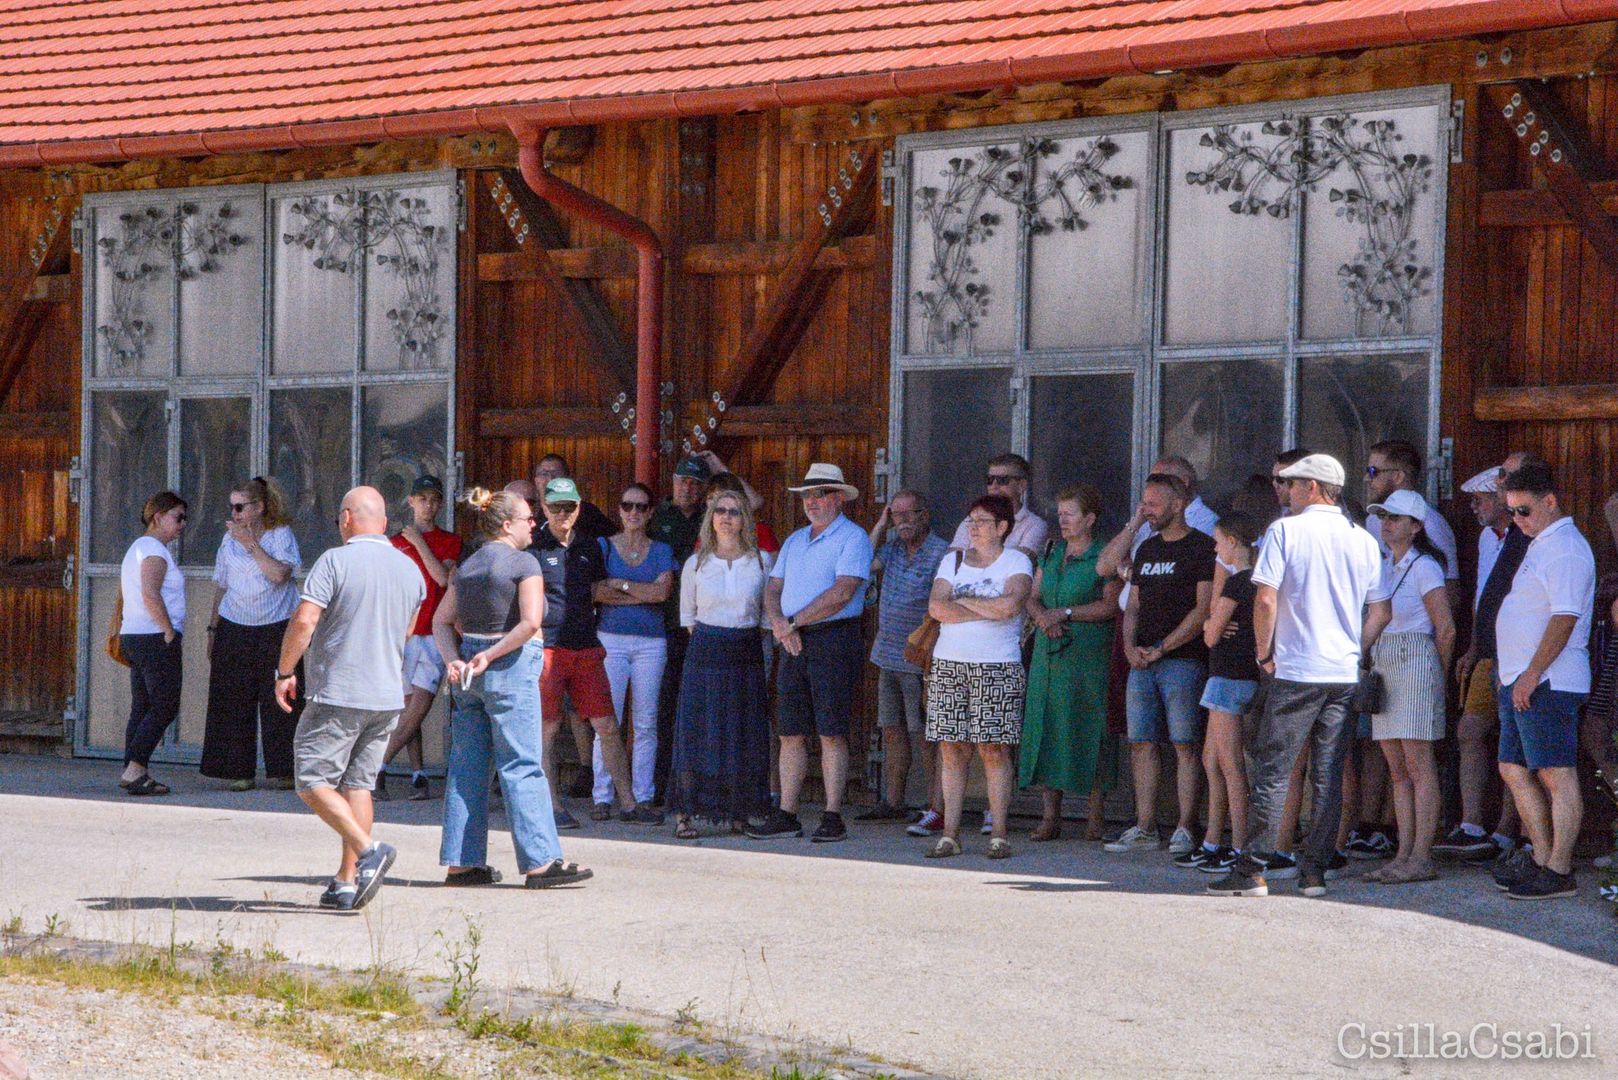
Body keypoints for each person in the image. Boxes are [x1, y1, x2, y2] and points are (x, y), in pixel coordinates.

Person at [1206, 454, 1383, 899]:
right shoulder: (1363, 539)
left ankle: (1252, 871)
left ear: (1313, 487)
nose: (1285, 490)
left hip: (1295, 667)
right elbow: (1380, 610)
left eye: (1293, 482)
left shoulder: (1285, 531)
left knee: (1274, 771)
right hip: (1342, 672)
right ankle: (1314, 873)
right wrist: (1352, 650)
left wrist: (1264, 654)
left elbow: (1265, 599)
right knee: (1327, 774)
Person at [274, 487, 424, 912]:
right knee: (358, 785)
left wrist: (284, 671)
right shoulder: (410, 568)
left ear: (345, 519)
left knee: (311, 780)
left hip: (339, 692)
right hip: (387, 695)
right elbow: (409, 629)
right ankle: (346, 880)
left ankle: (369, 849)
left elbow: (305, 620)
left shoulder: (334, 561)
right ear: (384, 523)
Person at [434, 487, 592, 889]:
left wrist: (455, 658)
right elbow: (530, 623)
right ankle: (540, 861)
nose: (533, 524)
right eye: (527, 518)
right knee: (522, 763)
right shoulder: (525, 562)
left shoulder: (467, 566)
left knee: (467, 766)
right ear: (507, 525)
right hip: (509, 665)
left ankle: (461, 863)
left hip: (469, 669)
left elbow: (440, 620)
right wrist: (492, 655)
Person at [750, 463, 874, 843]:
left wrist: (791, 623)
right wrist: (779, 622)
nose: (812, 502)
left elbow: (843, 592)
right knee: (789, 730)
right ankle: (787, 812)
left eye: (820, 494)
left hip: (832, 638)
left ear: (838, 498)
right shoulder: (794, 540)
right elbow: (773, 587)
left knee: (831, 731)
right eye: (807, 495)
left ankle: (833, 815)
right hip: (793, 637)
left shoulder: (853, 537)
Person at [533, 478, 663, 826]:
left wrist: (630, 594)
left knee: (607, 724)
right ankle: (552, 807)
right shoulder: (533, 546)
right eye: (556, 507)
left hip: (586, 646)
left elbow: (597, 590)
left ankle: (629, 804)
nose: (563, 513)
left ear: (579, 508)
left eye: (569, 507)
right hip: (547, 647)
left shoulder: (589, 545)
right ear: (544, 507)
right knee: (548, 727)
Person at [1491, 461, 1594, 900]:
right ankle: (1541, 859)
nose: (1517, 519)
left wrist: (1532, 673)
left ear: (1550, 502)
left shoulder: (1566, 548)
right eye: (1512, 511)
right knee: (1513, 767)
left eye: (1525, 510)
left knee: (1556, 773)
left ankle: (1559, 868)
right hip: (1522, 679)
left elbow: (1564, 618)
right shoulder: (1541, 543)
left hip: (1549, 679)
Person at [1104, 472, 1215, 856]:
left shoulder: (1202, 547)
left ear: (1177, 504)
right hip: (1142, 661)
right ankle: (1145, 826)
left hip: (1183, 660)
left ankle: (1185, 827)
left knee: (1185, 743)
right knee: (1141, 743)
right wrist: (1129, 645)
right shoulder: (1147, 549)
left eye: (1153, 504)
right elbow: (1133, 605)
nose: (1146, 510)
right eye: (1144, 503)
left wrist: (1164, 647)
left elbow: (1203, 609)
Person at [923, 494, 1032, 858]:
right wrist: (986, 608)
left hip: (997, 664)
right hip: (949, 663)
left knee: (994, 749)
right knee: (952, 748)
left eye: (982, 521)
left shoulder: (1016, 561)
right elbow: (936, 607)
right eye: (970, 520)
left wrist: (961, 601)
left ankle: (999, 833)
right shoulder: (952, 560)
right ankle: (950, 834)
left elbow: (1010, 606)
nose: (973, 527)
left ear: (1002, 527)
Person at [1435, 460, 1531, 860]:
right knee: (1470, 731)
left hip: (1519, 655)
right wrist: (1474, 648)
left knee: (1515, 741)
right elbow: (1482, 597)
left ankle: (1507, 831)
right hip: (1489, 652)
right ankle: (1472, 825)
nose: (1474, 506)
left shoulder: (1528, 535)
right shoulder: (1485, 539)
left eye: (1481, 499)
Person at [1359, 489, 1456, 884]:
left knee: (1418, 765)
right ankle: (1403, 854)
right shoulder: (1384, 565)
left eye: (1396, 518)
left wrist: (1438, 678)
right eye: (1384, 516)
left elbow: (1445, 628)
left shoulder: (1425, 566)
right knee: (1397, 769)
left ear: (1416, 526)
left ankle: (1421, 856)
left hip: (1416, 657)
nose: (1387, 524)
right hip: (1385, 657)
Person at [670, 488, 775, 837]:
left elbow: (765, 618)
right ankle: (685, 814)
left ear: (745, 518)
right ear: (710, 518)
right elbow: (688, 617)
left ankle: (739, 812)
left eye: (734, 511)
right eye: (720, 510)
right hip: (705, 652)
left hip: (746, 651)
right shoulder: (696, 563)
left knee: (743, 732)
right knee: (698, 731)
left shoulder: (761, 562)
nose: (727, 517)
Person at [1019, 483, 1120, 841]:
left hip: (1087, 656)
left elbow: (1110, 605)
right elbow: (1032, 596)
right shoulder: (1051, 550)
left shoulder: (1103, 555)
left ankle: (1096, 817)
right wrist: (1043, 616)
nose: (1062, 520)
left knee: (1089, 726)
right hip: (1048, 654)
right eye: (1059, 513)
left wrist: (1065, 613)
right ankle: (1051, 817)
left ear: (1089, 519)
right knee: (1046, 726)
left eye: (1069, 514)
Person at [200, 476, 302, 792]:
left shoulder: (280, 534)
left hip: (276, 626)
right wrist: (213, 628)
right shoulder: (227, 540)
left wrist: (251, 545)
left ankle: (284, 769)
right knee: (233, 698)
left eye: (240, 507)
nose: (235, 514)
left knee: (281, 698)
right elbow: (222, 584)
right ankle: (237, 770)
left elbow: (279, 575)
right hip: (235, 624)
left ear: (259, 507)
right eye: (232, 507)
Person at [1176, 511, 1264, 874]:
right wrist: (1214, 623)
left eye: (1217, 542)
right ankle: (1213, 841)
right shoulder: (1253, 581)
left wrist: (1213, 623)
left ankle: (1240, 846)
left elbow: (1211, 633)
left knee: (1231, 765)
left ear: (1232, 542)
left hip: (1231, 678)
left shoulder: (1240, 582)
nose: (1215, 549)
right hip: (1226, 677)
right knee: (1212, 760)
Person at [863, 490, 949, 823]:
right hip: (887, 653)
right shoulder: (892, 548)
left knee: (924, 734)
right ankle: (893, 801)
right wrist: (881, 526)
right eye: (896, 515)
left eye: (908, 514)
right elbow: (861, 564)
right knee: (892, 729)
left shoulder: (941, 551)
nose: (903, 521)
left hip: (920, 658)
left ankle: (934, 806)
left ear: (924, 515)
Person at [375, 475, 462, 802]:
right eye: (422, 498)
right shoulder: (393, 543)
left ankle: (376, 766)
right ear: (410, 501)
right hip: (402, 633)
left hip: (434, 632)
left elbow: (442, 578)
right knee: (408, 707)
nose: (429, 505)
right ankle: (418, 774)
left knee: (420, 706)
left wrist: (419, 543)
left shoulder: (449, 540)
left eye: (434, 499)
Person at [591, 482, 676, 816]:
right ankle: (602, 795)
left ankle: (643, 794)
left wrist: (621, 585)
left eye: (641, 507)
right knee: (605, 720)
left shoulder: (662, 549)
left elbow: (662, 594)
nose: (634, 512)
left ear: (651, 512)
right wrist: (642, 592)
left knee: (646, 723)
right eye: (628, 505)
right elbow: (597, 592)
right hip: (609, 640)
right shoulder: (604, 546)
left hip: (651, 643)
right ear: (619, 509)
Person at [116, 491, 189, 796]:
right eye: (178, 517)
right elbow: (150, 593)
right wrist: (168, 631)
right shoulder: (154, 551)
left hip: (135, 635)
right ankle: (135, 767)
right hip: (153, 637)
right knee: (164, 705)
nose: (182, 524)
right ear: (158, 517)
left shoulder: (139, 547)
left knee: (143, 705)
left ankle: (133, 771)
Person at [650, 454, 713, 802]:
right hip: (662, 625)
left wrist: (717, 464)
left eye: (694, 483)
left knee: (701, 708)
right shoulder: (656, 516)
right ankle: (660, 787)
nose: (687, 488)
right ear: (672, 481)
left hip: (702, 627)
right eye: (682, 480)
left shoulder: (713, 516)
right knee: (663, 709)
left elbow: (753, 505)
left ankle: (699, 787)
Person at [948, 452, 1049, 559]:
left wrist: (971, 556)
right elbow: (953, 558)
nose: (994, 486)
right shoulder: (971, 519)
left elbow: (1020, 561)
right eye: (990, 480)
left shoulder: (1035, 525)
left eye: (1002, 480)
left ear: (1021, 485)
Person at [533, 454, 615, 541]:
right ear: (536, 481)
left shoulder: (588, 512)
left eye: (556, 474)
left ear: (567, 479)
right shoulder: (530, 513)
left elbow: (614, 539)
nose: (550, 479)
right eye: (544, 474)